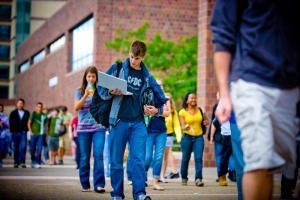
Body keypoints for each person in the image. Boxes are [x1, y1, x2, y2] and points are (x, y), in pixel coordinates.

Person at [211, 1, 299, 199]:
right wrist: (225, 95)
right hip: (251, 80)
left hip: (289, 85)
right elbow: (222, 36)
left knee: (269, 166)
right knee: (258, 161)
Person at [98, 40, 167, 200]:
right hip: (118, 121)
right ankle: (117, 194)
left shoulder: (148, 77)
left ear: (143, 57)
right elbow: (101, 90)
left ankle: (140, 194)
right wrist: (110, 91)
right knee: (116, 161)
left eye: (136, 58)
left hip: (138, 124)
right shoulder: (117, 68)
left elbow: (162, 99)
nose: (133, 61)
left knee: (138, 160)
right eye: (131, 57)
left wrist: (157, 110)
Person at [74, 66, 106, 193]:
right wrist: (85, 95)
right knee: (84, 157)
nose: (91, 79)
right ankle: (85, 184)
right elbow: (76, 107)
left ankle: (99, 185)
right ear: (85, 77)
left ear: (96, 77)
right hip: (83, 130)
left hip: (99, 128)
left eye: (93, 76)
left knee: (98, 156)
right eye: (89, 76)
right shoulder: (79, 91)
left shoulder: (101, 91)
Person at [144, 79, 170, 191]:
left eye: (161, 85)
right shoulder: (146, 96)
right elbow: (143, 112)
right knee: (147, 157)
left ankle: (155, 182)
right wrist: (152, 111)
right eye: (157, 85)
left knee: (158, 158)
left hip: (161, 132)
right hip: (148, 131)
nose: (159, 87)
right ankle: (142, 176)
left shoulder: (165, 99)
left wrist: (156, 111)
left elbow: (168, 113)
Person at [178, 92, 209, 187]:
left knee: (198, 158)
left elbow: (206, 121)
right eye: (191, 98)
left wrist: (205, 122)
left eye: (194, 98)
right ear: (187, 100)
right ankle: (184, 177)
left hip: (199, 137)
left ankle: (198, 179)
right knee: (185, 159)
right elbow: (182, 126)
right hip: (187, 137)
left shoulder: (200, 110)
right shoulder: (182, 112)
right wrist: (185, 127)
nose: (193, 100)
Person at [160, 93, 181, 182]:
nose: (167, 101)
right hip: (159, 134)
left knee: (165, 156)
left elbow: (176, 125)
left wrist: (179, 137)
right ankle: (157, 175)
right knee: (159, 156)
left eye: (169, 99)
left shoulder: (173, 112)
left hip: (169, 135)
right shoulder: (159, 109)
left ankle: (162, 176)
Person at [9, 99, 30, 168]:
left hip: (23, 133)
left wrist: (27, 130)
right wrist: (11, 131)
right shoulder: (13, 113)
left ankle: (22, 162)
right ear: (17, 104)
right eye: (19, 103)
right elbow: (11, 122)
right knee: (16, 148)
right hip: (15, 133)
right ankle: (16, 162)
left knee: (23, 147)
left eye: (21, 103)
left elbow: (29, 122)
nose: (20, 105)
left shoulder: (27, 113)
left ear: (23, 104)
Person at [27, 102, 48, 169]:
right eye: (38, 107)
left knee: (39, 149)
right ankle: (33, 160)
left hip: (41, 135)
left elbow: (46, 125)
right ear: (36, 107)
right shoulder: (33, 114)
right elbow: (29, 123)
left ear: (42, 107)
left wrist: (46, 135)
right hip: (33, 134)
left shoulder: (44, 115)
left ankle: (38, 162)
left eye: (41, 107)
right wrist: (31, 132)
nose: (39, 108)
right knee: (32, 149)